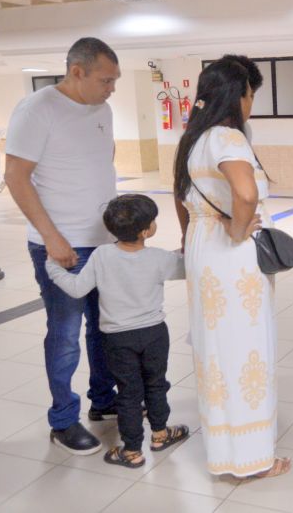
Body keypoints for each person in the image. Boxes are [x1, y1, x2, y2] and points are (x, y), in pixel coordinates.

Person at [173, 57, 290, 480]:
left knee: (216, 352)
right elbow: (244, 192)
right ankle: (254, 460)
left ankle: (227, 452)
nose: (251, 103)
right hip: (231, 256)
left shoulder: (194, 139)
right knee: (245, 351)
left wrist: (206, 232)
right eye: (251, 94)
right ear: (239, 94)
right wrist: (239, 230)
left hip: (204, 251)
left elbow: (181, 200)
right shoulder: (228, 137)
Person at [4, 37, 120, 455]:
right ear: (77, 72)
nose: (112, 89)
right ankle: (63, 420)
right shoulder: (38, 109)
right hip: (61, 246)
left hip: (103, 243)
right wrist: (52, 236)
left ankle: (103, 403)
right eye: (106, 80)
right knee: (66, 334)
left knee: (105, 328)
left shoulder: (102, 110)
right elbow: (16, 177)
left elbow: (103, 159)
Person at [45, 194, 189, 468]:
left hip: (118, 339)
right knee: (156, 384)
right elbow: (189, 268)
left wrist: (53, 267)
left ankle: (132, 451)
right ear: (147, 230)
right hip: (155, 334)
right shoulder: (160, 258)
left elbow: (77, 289)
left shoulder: (101, 256)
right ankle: (160, 434)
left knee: (129, 393)